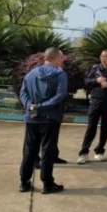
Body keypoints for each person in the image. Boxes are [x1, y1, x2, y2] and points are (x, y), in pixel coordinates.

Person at [18, 48, 68, 194]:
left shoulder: (31, 74)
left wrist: (31, 106)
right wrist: (42, 106)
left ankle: (24, 182)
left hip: (32, 118)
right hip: (50, 118)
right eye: (61, 58)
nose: (62, 60)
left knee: (29, 150)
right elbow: (60, 95)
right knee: (48, 151)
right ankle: (47, 183)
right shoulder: (60, 75)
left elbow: (23, 93)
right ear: (55, 58)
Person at [78, 50, 107, 164]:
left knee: (105, 128)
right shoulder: (95, 68)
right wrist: (96, 80)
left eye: (106, 56)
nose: (103, 59)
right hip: (95, 101)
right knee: (91, 127)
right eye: (102, 56)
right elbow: (86, 82)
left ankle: (99, 151)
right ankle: (84, 153)